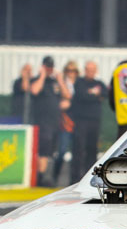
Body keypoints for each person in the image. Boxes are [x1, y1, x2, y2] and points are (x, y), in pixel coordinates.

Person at [30, 55, 70, 186]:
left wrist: (60, 80)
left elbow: (67, 95)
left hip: (55, 122)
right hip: (42, 121)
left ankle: (45, 176)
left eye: (51, 67)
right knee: (43, 150)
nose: (49, 70)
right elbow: (34, 91)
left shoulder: (55, 82)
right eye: (47, 67)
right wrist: (42, 75)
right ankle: (40, 177)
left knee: (51, 151)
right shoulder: (37, 80)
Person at [69, 60, 108, 184]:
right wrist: (95, 95)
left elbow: (105, 93)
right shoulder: (79, 82)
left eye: (93, 70)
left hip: (94, 121)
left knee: (92, 149)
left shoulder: (99, 83)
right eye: (88, 70)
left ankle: (90, 178)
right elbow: (82, 96)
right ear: (85, 70)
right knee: (78, 149)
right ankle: (75, 178)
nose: (90, 72)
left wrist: (92, 94)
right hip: (81, 121)